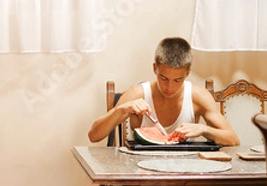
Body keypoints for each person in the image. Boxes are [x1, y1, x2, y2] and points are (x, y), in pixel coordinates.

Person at [88, 37, 240, 146]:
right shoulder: (138, 93)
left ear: (187, 73)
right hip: (143, 174)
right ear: (155, 68)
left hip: (186, 175)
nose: (169, 87)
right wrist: (122, 109)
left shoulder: (198, 97)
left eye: (177, 80)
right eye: (163, 78)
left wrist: (203, 129)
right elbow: (94, 136)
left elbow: (233, 139)